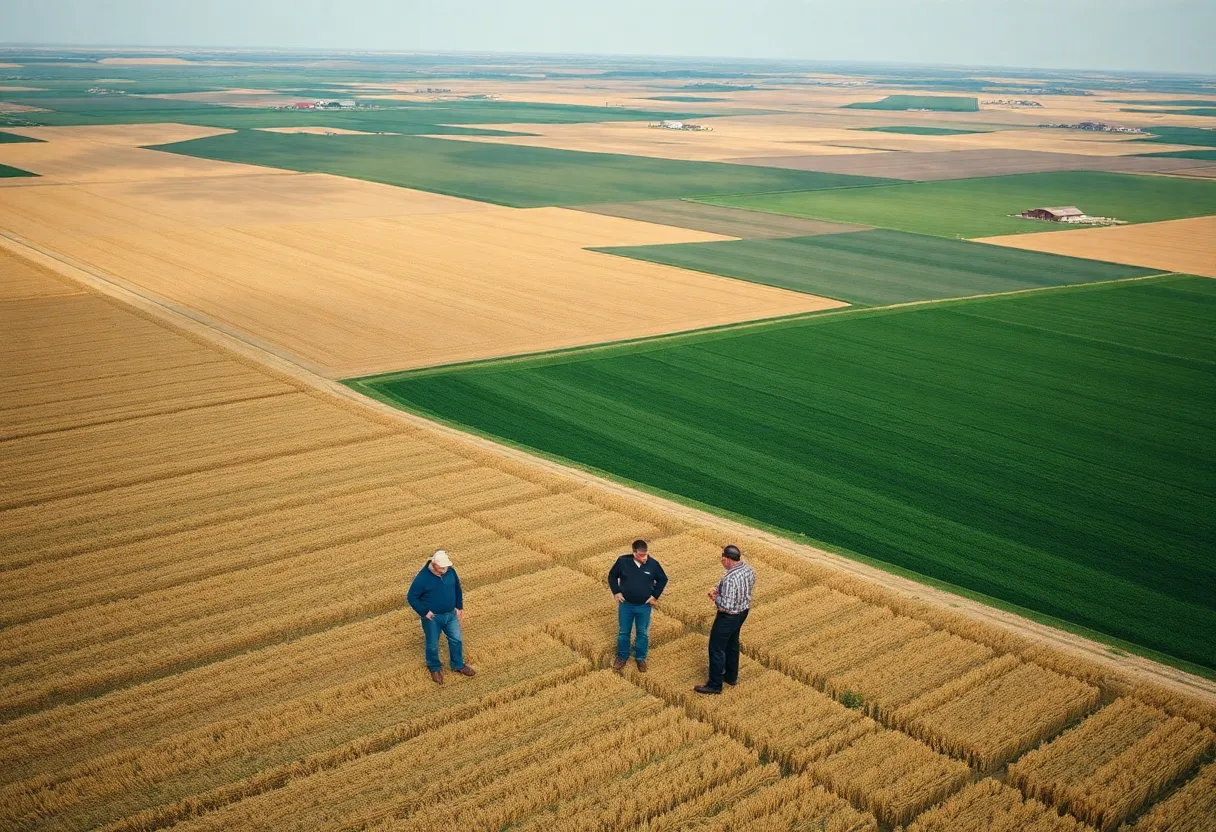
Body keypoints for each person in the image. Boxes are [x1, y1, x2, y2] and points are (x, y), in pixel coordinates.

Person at [406, 549, 476, 684]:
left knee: (457, 640)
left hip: (451, 615)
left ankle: (458, 665)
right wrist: (424, 612)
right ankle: (434, 668)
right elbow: (411, 597)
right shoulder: (422, 578)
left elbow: (457, 588)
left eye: (446, 566)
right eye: (442, 567)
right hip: (433, 619)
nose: (445, 569)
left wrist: (459, 606)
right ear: (434, 564)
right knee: (432, 645)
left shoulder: (450, 571)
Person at [695, 544, 755, 694]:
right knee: (732, 644)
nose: (722, 561)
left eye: (723, 558)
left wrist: (716, 597)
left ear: (727, 559)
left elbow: (725, 606)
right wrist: (719, 588)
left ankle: (715, 684)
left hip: (728, 616)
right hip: (743, 612)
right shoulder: (748, 569)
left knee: (716, 648)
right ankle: (731, 676)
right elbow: (749, 585)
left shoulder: (729, 579)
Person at [607, 539, 668, 672]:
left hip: (644, 607)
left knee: (642, 633)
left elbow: (663, 579)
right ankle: (622, 656)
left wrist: (655, 595)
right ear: (634, 553)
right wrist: (616, 592)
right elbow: (612, 576)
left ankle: (640, 658)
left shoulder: (653, 564)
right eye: (641, 555)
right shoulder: (622, 561)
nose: (644, 557)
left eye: (646, 554)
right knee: (624, 632)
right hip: (626, 605)